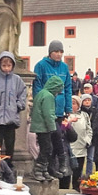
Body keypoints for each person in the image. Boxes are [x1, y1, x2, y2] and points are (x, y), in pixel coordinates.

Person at [33, 40, 73, 177]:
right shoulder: (41, 66)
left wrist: (68, 107)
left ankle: (52, 167)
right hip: (46, 108)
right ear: (50, 52)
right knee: (46, 142)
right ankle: (43, 168)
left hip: (59, 109)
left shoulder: (64, 67)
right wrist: (40, 102)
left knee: (57, 141)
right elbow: (37, 86)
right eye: (56, 51)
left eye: (61, 52)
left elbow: (68, 87)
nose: (59, 54)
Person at [0, 51, 27, 159]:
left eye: (9, 65)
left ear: (12, 66)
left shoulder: (17, 80)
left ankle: (9, 164)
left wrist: (18, 106)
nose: (6, 68)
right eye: (4, 65)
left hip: (11, 119)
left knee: (10, 144)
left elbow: (23, 94)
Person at [29, 76, 65, 182]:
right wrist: (52, 127)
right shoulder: (48, 96)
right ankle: (38, 170)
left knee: (46, 148)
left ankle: (44, 170)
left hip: (39, 125)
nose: (58, 93)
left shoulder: (41, 93)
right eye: (59, 90)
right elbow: (48, 113)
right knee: (46, 149)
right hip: (44, 127)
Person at [69, 96, 92, 191]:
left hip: (81, 146)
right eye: (70, 103)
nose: (72, 105)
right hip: (70, 147)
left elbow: (89, 129)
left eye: (74, 103)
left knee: (78, 172)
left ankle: (76, 188)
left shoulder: (84, 115)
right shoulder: (65, 115)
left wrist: (87, 140)